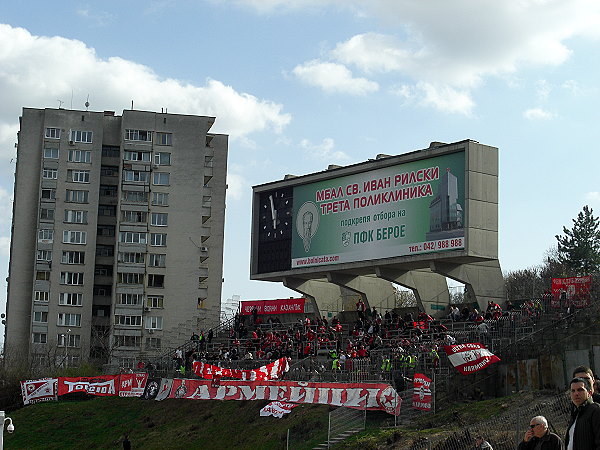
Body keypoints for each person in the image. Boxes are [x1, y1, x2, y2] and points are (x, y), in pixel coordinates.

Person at [565, 377, 600, 449]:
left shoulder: (595, 410)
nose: (576, 393)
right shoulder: (575, 413)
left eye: (580, 390)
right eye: (573, 391)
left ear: (589, 393)